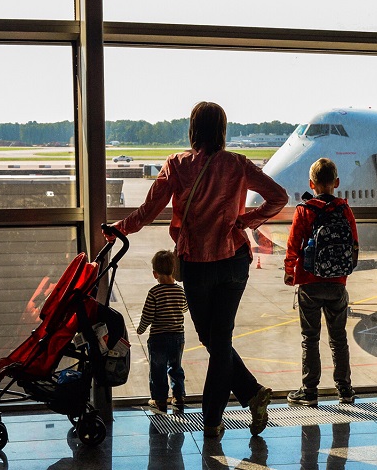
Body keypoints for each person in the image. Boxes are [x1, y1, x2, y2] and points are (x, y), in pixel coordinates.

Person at [105, 101, 288, 437]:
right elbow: (278, 197)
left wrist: (120, 228)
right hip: (233, 260)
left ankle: (212, 421)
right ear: (222, 130)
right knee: (218, 341)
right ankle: (249, 393)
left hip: (196, 265)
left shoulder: (177, 165)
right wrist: (245, 221)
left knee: (213, 340)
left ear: (192, 128)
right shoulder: (238, 164)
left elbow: (148, 211)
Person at [283, 158, 358, 407]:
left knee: (310, 338)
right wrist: (342, 272)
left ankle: (309, 390)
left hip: (309, 282)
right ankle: (345, 389)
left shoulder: (305, 210)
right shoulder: (345, 209)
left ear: (311, 184)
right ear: (336, 183)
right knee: (339, 339)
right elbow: (354, 245)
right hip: (338, 283)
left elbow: (293, 245)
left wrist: (289, 271)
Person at [138, 250, 188, 413]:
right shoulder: (180, 291)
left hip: (158, 337)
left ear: (155, 273)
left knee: (157, 370)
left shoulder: (154, 292)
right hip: (177, 336)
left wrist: (141, 328)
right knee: (175, 368)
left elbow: (148, 315)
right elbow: (185, 308)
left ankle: (160, 400)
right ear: (174, 270)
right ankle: (178, 397)